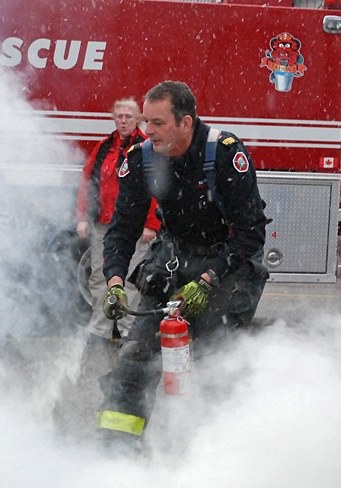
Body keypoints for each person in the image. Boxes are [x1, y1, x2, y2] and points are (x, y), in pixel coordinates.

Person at [97, 81, 270, 451]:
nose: (148, 131)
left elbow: (252, 232)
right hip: (173, 255)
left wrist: (209, 279)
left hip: (228, 263)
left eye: (157, 123)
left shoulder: (224, 153)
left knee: (215, 366)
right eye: (146, 121)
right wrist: (113, 282)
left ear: (186, 122)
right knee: (134, 359)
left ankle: (217, 459)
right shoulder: (142, 158)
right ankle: (115, 456)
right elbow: (123, 229)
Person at [77, 99, 160, 349]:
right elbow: (86, 182)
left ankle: (127, 333)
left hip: (133, 227)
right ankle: (100, 331)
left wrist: (151, 225)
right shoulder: (104, 147)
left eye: (128, 116)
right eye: (119, 116)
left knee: (132, 281)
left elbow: (156, 189)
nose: (123, 121)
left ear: (138, 119)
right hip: (104, 225)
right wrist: (82, 216)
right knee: (100, 278)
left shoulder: (147, 149)